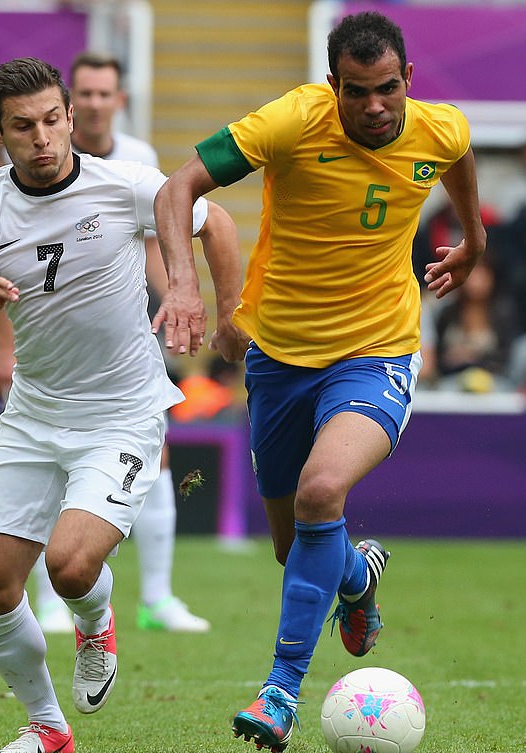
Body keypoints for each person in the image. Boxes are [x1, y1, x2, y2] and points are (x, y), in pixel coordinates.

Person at [153, 11, 486, 751]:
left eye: (390, 89)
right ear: (333, 86)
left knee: (320, 491)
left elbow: (457, 156)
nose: (377, 107)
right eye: (360, 92)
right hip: (279, 358)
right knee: (294, 543)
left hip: (378, 352)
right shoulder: (290, 123)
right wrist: (185, 287)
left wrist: (472, 239)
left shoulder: (439, 127)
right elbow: (178, 189)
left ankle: (280, 692)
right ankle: (357, 576)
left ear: (409, 80)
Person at [0, 57, 241, 753]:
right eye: (23, 127)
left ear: (71, 117)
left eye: (52, 120)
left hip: (122, 411)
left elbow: (216, 222)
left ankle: (96, 620)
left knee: (71, 565)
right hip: (35, 413)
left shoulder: (125, 184)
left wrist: (221, 309)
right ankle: (48, 729)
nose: (41, 138)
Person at [0, 52, 211, 634]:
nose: (91, 103)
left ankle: (158, 597)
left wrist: (178, 298)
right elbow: (20, 269)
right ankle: (52, 600)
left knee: (154, 458)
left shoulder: (135, 161)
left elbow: (157, 236)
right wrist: (1, 346)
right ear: (71, 103)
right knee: (50, 466)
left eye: (101, 94)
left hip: (126, 325)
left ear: (118, 100)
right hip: (50, 349)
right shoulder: (16, 171)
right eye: (83, 93)